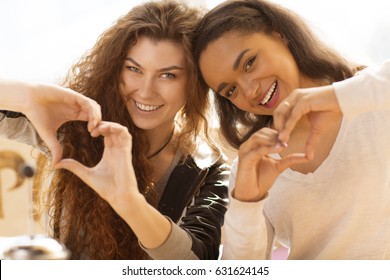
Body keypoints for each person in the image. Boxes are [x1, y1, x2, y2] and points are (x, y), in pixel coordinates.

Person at [0, 0, 229, 260]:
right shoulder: (79, 125)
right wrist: (27, 95)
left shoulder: (207, 168)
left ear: (195, 82)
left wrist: (128, 201)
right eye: (134, 69)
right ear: (115, 67)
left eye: (168, 75)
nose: (145, 91)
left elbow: (198, 262)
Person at [194, 0, 390, 259]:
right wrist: (247, 203)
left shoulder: (372, 96)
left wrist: (337, 98)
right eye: (231, 90)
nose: (250, 91)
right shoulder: (252, 167)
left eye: (250, 63)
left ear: (280, 35)